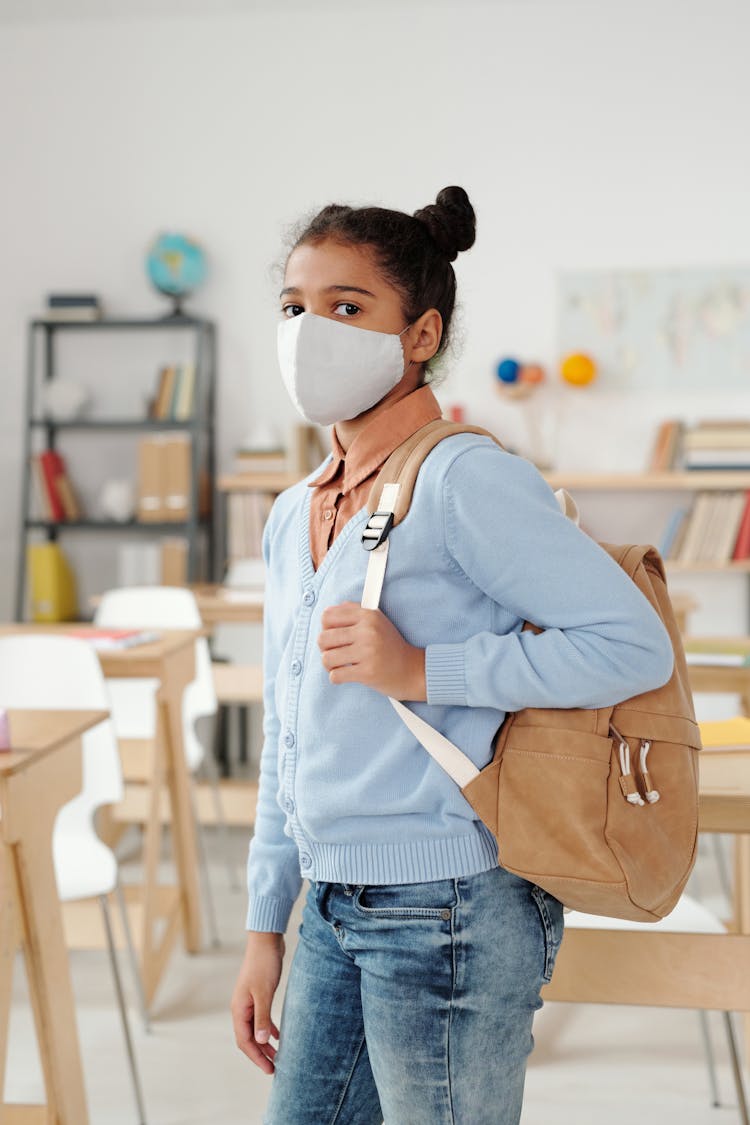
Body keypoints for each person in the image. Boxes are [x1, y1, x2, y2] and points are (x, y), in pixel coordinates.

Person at [230, 186, 674, 1125]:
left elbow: (632, 646)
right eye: (294, 308)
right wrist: (264, 922)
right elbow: (287, 725)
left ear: (421, 332)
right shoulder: (294, 511)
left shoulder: (466, 479)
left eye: (347, 308)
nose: (311, 331)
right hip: (329, 905)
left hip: (450, 911)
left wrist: (426, 670)